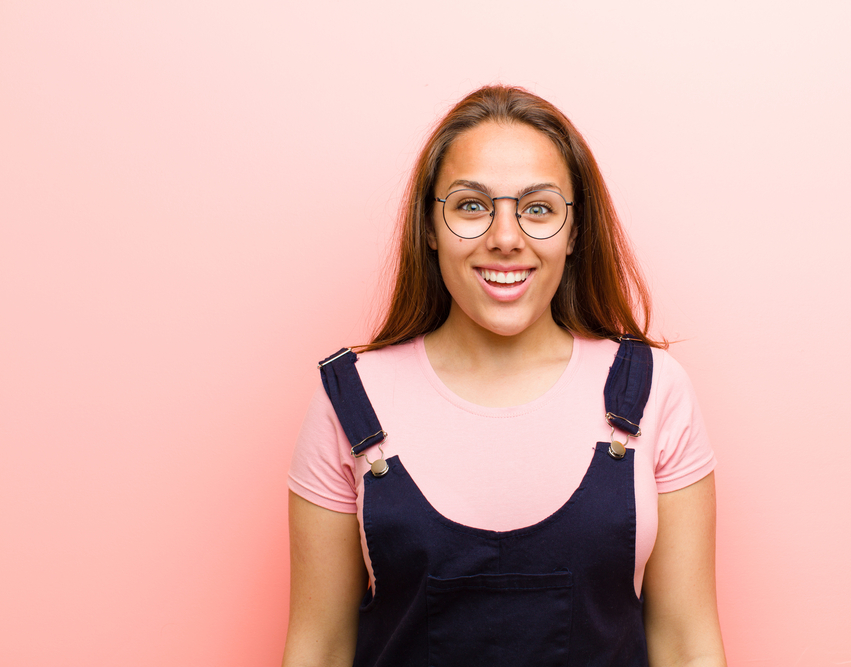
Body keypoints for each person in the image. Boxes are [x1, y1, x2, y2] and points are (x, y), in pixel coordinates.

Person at [282, 85, 727, 667]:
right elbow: (319, 648)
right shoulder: (352, 400)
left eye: (538, 208)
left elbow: (688, 644)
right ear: (430, 226)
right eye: (471, 206)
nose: (506, 237)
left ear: (575, 232)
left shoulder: (654, 391)